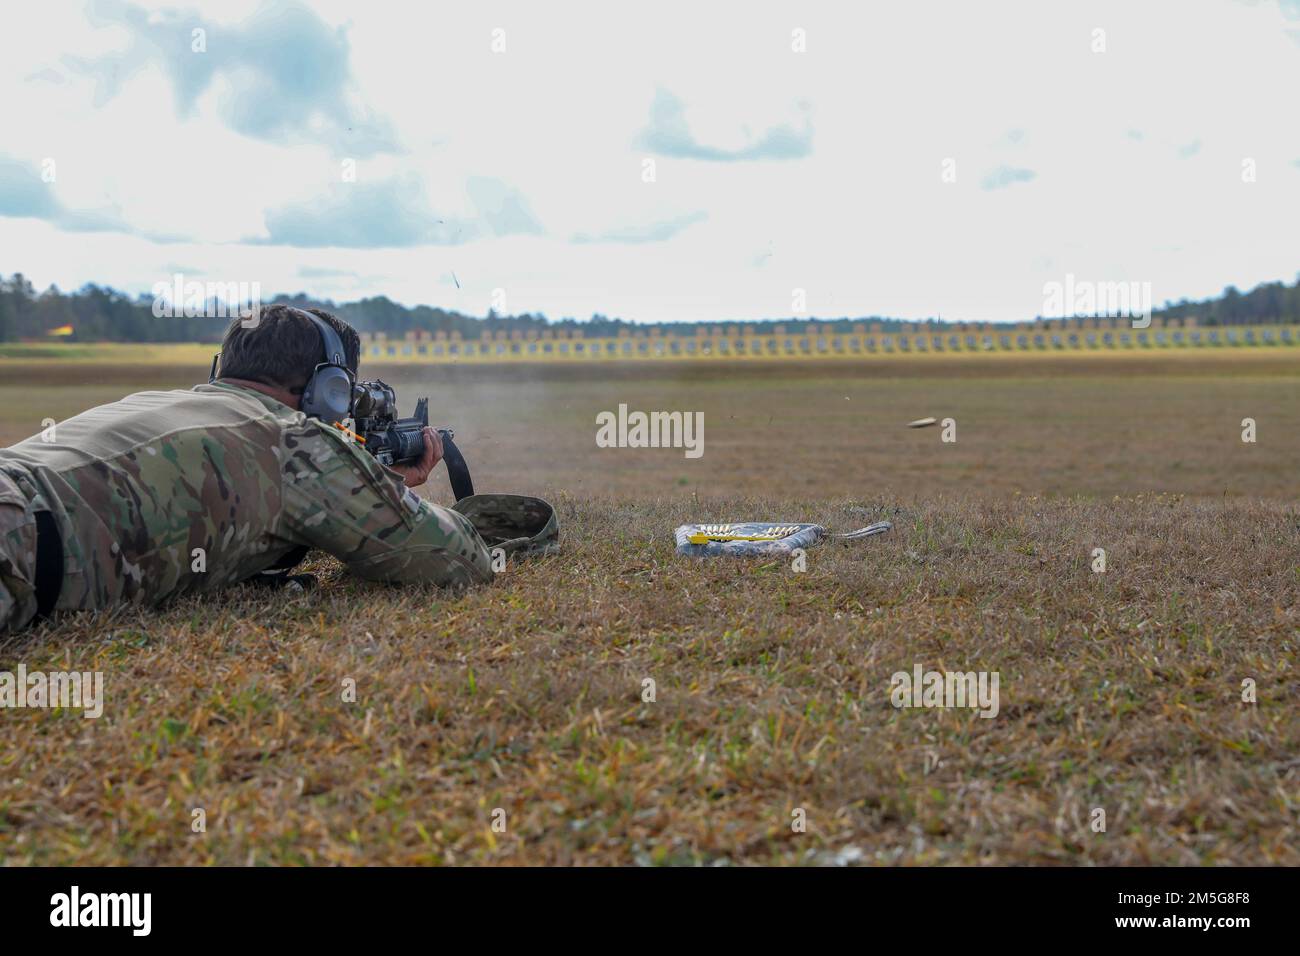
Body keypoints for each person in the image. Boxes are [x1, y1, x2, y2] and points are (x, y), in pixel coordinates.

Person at [0, 305, 513, 633]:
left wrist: (375, 483)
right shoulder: (295, 441)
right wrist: (393, 496)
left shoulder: (153, 402)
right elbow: (451, 561)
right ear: (330, 391)